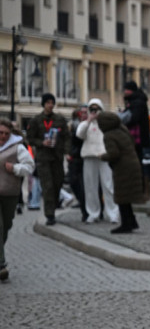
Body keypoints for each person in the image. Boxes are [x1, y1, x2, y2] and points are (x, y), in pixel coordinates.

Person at [25, 93, 70, 225]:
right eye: (48, 102)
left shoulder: (60, 120)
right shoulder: (36, 121)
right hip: (43, 158)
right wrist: (41, 143)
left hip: (57, 157)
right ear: (43, 104)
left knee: (58, 183)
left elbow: (67, 137)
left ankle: (54, 205)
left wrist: (67, 152)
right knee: (47, 186)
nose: (50, 105)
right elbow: (30, 138)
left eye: (52, 102)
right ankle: (50, 214)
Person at [0, 117, 35, 281]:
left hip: (10, 193)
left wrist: (14, 168)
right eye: (0, 133)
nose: (3, 136)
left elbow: (30, 166)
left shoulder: (17, 148)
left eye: (6, 133)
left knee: (6, 226)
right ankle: (1, 265)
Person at [97, 111, 145, 234]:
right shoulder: (122, 129)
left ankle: (126, 224)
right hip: (133, 163)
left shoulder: (109, 135)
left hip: (123, 167)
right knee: (126, 196)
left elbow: (114, 154)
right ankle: (131, 221)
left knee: (121, 196)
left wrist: (103, 156)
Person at [76, 98, 119, 224]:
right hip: (89, 155)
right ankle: (93, 213)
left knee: (108, 185)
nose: (94, 111)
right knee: (90, 187)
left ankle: (113, 213)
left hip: (104, 155)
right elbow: (79, 134)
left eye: (97, 109)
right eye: (92, 109)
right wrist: (88, 121)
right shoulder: (85, 123)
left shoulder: (105, 123)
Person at [65, 103, 89, 222]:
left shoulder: (90, 125)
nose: (83, 115)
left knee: (87, 185)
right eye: (82, 112)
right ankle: (83, 204)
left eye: (85, 112)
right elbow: (69, 141)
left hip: (86, 157)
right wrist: (68, 152)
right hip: (75, 157)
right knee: (74, 182)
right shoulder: (73, 126)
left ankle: (87, 211)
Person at [121, 80, 150, 163]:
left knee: (136, 159)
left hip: (137, 137)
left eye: (126, 89)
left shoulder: (137, 103)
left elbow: (134, 118)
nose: (124, 92)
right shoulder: (137, 101)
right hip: (138, 138)